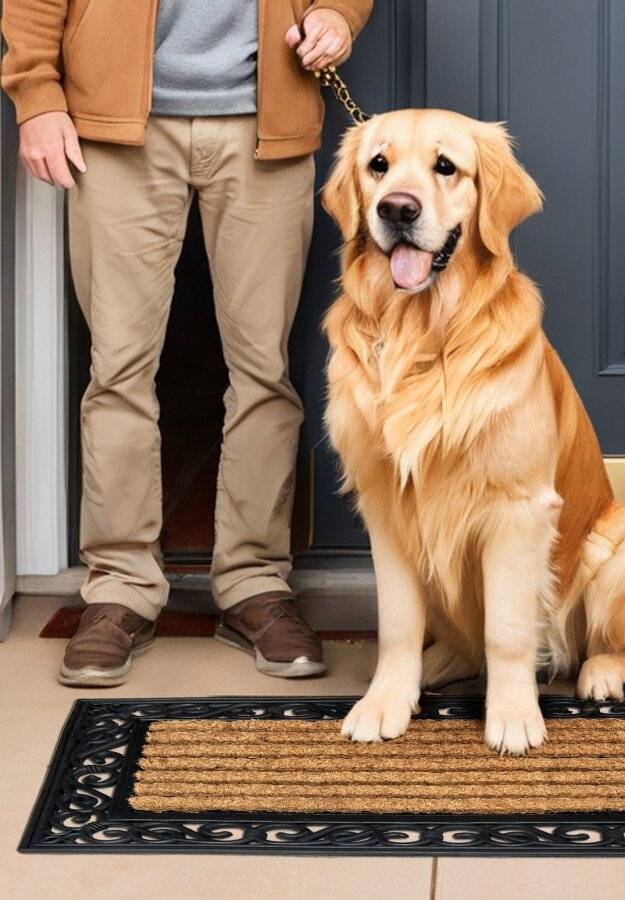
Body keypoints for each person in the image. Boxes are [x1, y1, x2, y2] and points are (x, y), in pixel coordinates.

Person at [1, 0, 373, 686]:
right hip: (114, 127)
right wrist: (37, 95)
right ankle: (118, 591)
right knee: (117, 370)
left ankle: (255, 584)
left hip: (268, 121)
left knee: (265, 372)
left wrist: (337, 16)